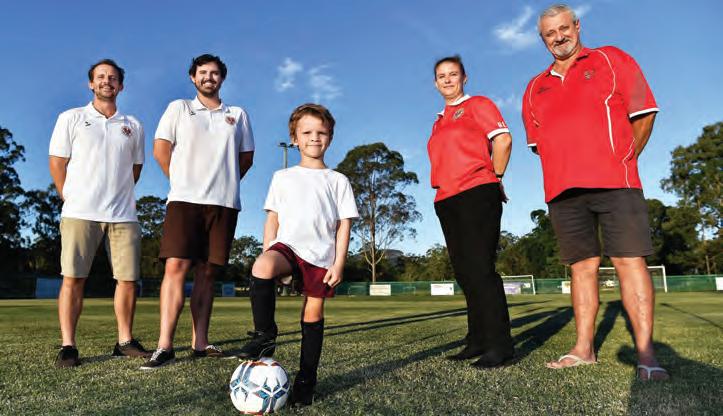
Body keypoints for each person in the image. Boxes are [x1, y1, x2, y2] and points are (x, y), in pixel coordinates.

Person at [522, 4, 668, 380]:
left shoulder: (611, 59)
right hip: (563, 191)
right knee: (581, 269)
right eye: (549, 33)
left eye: (563, 28)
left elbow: (644, 113)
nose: (558, 37)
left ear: (577, 26)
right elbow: (540, 144)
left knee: (629, 261)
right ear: (542, 39)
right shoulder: (535, 87)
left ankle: (647, 356)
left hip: (616, 183)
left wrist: (624, 158)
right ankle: (583, 349)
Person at [237, 103, 358, 406]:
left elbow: (344, 226)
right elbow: (272, 220)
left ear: (330, 137)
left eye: (321, 133)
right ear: (294, 138)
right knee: (262, 265)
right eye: (307, 132)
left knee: (312, 314)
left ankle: (306, 381)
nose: (314, 138)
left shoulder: (338, 180)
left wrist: (339, 263)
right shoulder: (282, 177)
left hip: (320, 257)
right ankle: (265, 336)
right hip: (287, 248)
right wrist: (269, 253)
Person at [141, 54, 254, 369]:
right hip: (184, 201)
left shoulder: (237, 115)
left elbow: (246, 158)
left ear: (222, 78)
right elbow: (161, 150)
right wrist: (183, 182)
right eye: (203, 72)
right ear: (193, 77)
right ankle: (165, 346)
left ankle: (200, 344)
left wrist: (222, 182)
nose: (209, 77)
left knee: (208, 272)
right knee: (175, 267)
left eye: (215, 73)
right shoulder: (179, 108)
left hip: (224, 203)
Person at [49, 59, 150, 367]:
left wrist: (116, 195)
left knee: (128, 280)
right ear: (91, 84)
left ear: (121, 85)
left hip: (123, 215)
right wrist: (69, 196)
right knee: (73, 278)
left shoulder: (133, 125)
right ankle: (68, 346)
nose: (107, 81)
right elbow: (57, 162)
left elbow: (134, 169)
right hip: (80, 212)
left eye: (113, 77)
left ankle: (125, 341)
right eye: (101, 77)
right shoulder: (71, 118)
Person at [427, 55, 514, 368]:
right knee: (464, 272)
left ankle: (500, 345)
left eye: (453, 74)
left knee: (480, 268)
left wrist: (496, 177)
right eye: (442, 76)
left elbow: (503, 140)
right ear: (435, 83)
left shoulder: (478, 104)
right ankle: (477, 339)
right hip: (446, 198)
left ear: (464, 78)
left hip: (477, 192)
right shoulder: (439, 121)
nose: (448, 80)